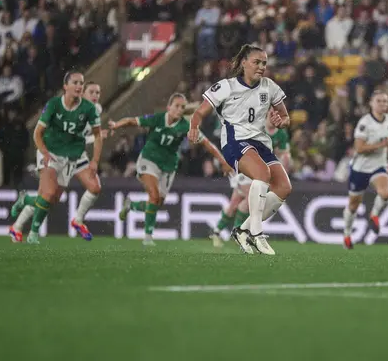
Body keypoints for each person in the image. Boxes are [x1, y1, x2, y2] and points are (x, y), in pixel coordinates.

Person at [188, 44, 292, 255]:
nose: (261, 66)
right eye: (256, 62)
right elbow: (199, 112)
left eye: (264, 63)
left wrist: (280, 122)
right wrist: (193, 126)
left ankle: (242, 230)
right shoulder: (226, 87)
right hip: (235, 142)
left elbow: (286, 117)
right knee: (262, 174)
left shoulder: (270, 87)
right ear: (243, 63)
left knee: (283, 187)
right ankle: (256, 232)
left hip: (261, 144)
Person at [109, 93, 233, 246]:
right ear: (168, 107)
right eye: (176, 106)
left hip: (168, 166)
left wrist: (223, 162)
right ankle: (148, 237)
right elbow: (131, 121)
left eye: (182, 107)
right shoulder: (157, 118)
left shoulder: (185, 126)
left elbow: (207, 144)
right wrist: (116, 125)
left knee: (157, 203)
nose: (179, 110)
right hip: (149, 160)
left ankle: (131, 205)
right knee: (154, 196)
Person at [9, 72, 102, 244]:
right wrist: (44, 152)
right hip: (50, 152)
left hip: (73, 156)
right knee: (49, 192)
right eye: (75, 82)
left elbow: (97, 136)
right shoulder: (53, 105)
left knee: (51, 199)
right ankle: (34, 233)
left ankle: (25, 202)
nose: (79, 86)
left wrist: (95, 160)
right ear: (65, 86)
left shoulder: (91, 110)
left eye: (81, 83)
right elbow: (37, 133)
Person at [210, 110, 291, 248]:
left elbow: (283, 154)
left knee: (235, 203)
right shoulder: (257, 126)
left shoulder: (281, 133)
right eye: (272, 113)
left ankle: (219, 232)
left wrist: (283, 166)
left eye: (277, 114)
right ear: (267, 113)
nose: (275, 116)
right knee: (247, 199)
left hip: (261, 170)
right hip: (246, 167)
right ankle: (239, 231)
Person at [342, 90, 388, 250]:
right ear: (371, 103)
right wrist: (381, 146)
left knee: (385, 194)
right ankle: (347, 235)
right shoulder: (364, 123)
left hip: (379, 165)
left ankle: (374, 215)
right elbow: (359, 148)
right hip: (360, 168)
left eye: (385, 101)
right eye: (379, 101)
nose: (383, 104)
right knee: (353, 205)